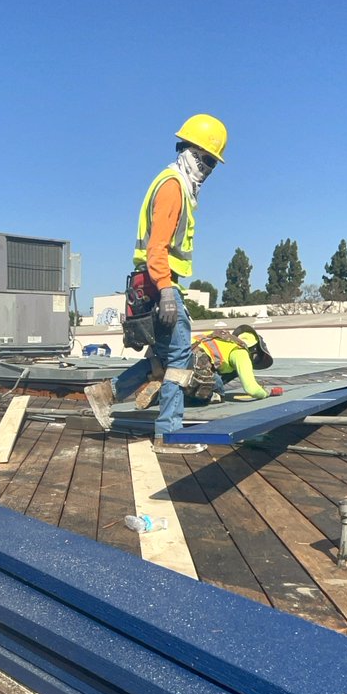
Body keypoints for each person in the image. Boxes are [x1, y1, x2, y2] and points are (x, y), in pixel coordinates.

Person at [85, 114, 228, 452]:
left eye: (213, 163)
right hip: (159, 284)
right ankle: (168, 434)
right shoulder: (173, 188)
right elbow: (156, 247)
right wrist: (166, 290)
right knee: (179, 359)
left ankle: (106, 393)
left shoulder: (176, 186)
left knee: (162, 359)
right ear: (190, 152)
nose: (209, 169)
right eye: (206, 160)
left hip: (151, 284)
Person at [88, 323, 276, 416]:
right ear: (254, 350)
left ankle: (107, 391)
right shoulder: (241, 352)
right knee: (214, 391)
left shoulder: (221, 337)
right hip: (196, 365)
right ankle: (163, 392)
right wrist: (265, 393)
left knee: (152, 366)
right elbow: (250, 388)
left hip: (179, 352)